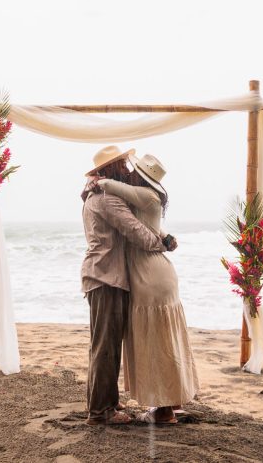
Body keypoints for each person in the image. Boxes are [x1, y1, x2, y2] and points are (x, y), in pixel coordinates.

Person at [94, 153, 199, 425]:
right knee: (166, 339)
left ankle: (163, 411)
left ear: (139, 175)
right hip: (158, 274)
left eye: (132, 168)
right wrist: (165, 237)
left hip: (148, 275)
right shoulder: (147, 197)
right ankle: (170, 402)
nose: (127, 170)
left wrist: (97, 182)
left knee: (155, 341)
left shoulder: (143, 194)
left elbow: (110, 186)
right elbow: (152, 225)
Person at [80, 145, 175, 426]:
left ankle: (105, 400)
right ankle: (100, 412)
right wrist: (164, 244)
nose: (127, 170)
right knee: (106, 345)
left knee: (104, 343)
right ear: (108, 170)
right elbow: (137, 232)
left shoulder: (97, 195)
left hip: (103, 275)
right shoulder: (108, 200)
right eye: (121, 165)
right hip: (106, 277)